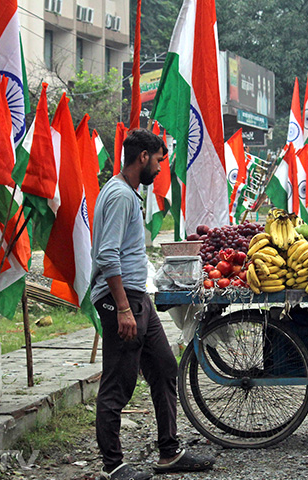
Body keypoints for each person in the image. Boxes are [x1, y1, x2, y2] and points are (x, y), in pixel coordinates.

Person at [91, 129, 214, 479]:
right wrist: (124, 308)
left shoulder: (126, 193)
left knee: (163, 367)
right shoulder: (119, 196)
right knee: (119, 381)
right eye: (159, 159)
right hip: (123, 300)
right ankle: (113, 466)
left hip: (136, 295)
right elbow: (107, 254)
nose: (160, 168)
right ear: (143, 156)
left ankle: (169, 452)